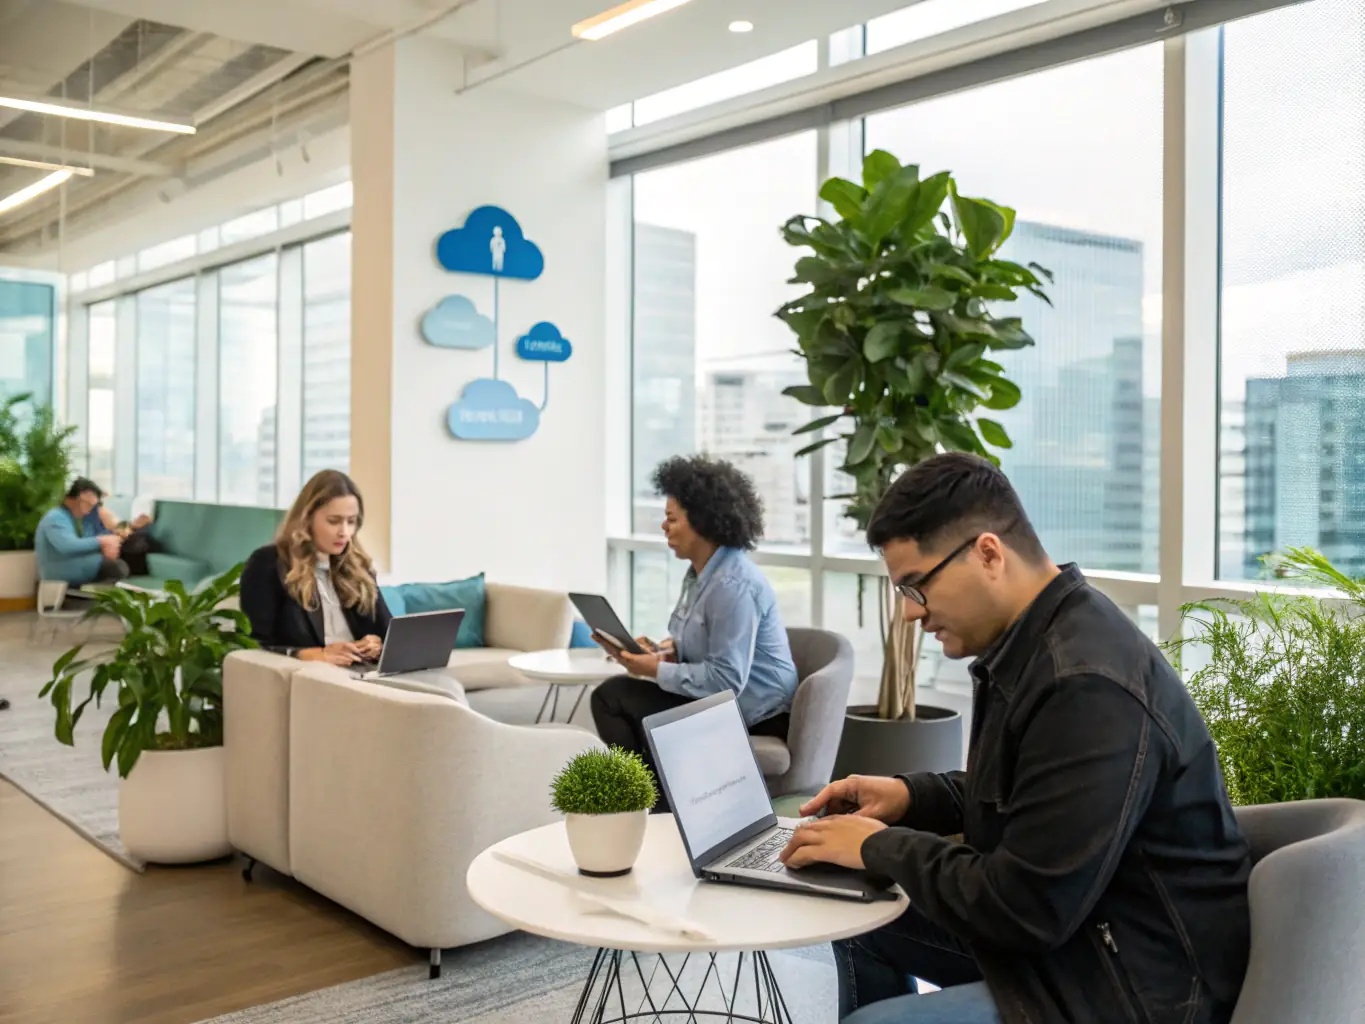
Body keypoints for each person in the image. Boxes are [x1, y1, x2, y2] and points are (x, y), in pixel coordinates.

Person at [780, 453, 1251, 1024]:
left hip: (1132, 989)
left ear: (987, 553)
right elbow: (1035, 797)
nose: (909, 614)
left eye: (916, 587)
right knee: (859, 905)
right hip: (1079, 939)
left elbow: (1026, 908)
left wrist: (879, 845)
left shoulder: (1086, 683)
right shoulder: (1040, 642)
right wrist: (912, 796)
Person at [591, 455, 799, 810]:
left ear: (703, 521)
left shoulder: (732, 585)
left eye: (672, 519)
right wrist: (661, 652)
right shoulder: (700, 575)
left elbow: (727, 681)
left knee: (613, 699)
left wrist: (654, 670)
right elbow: (701, 645)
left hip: (756, 713)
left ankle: (656, 808)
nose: (663, 527)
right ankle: (657, 804)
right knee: (620, 699)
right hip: (721, 699)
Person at [240, 469, 391, 667]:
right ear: (307, 518)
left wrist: (377, 644)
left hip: (362, 677)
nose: (344, 532)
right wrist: (313, 654)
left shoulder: (357, 567)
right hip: (311, 680)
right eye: (333, 521)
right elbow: (251, 646)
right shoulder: (269, 563)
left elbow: (390, 632)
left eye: (351, 521)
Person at [34, 478, 129, 589]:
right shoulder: (55, 517)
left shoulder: (68, 517)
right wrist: (102, 541)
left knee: (118, 563)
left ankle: (94, 595)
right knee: (117, 567)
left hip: (69, 564)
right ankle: (92, 595)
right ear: (81, 497)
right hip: (62, 569)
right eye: (89, 505)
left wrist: (105, 544)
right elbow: (67, 546)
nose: (87, 511)